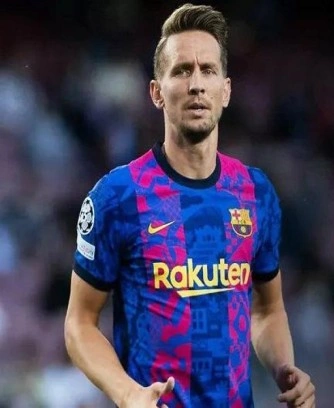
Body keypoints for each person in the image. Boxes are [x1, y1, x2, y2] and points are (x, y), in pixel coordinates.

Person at [63, 3, 316, 407]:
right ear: (156, 92)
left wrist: (285, 369)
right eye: (182, 70)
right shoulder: (118, 196)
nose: (196, 84)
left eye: (208, 70)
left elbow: (267, 310)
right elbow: (79, 323)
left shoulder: (255, 192)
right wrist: (127, 393)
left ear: (226, 91)